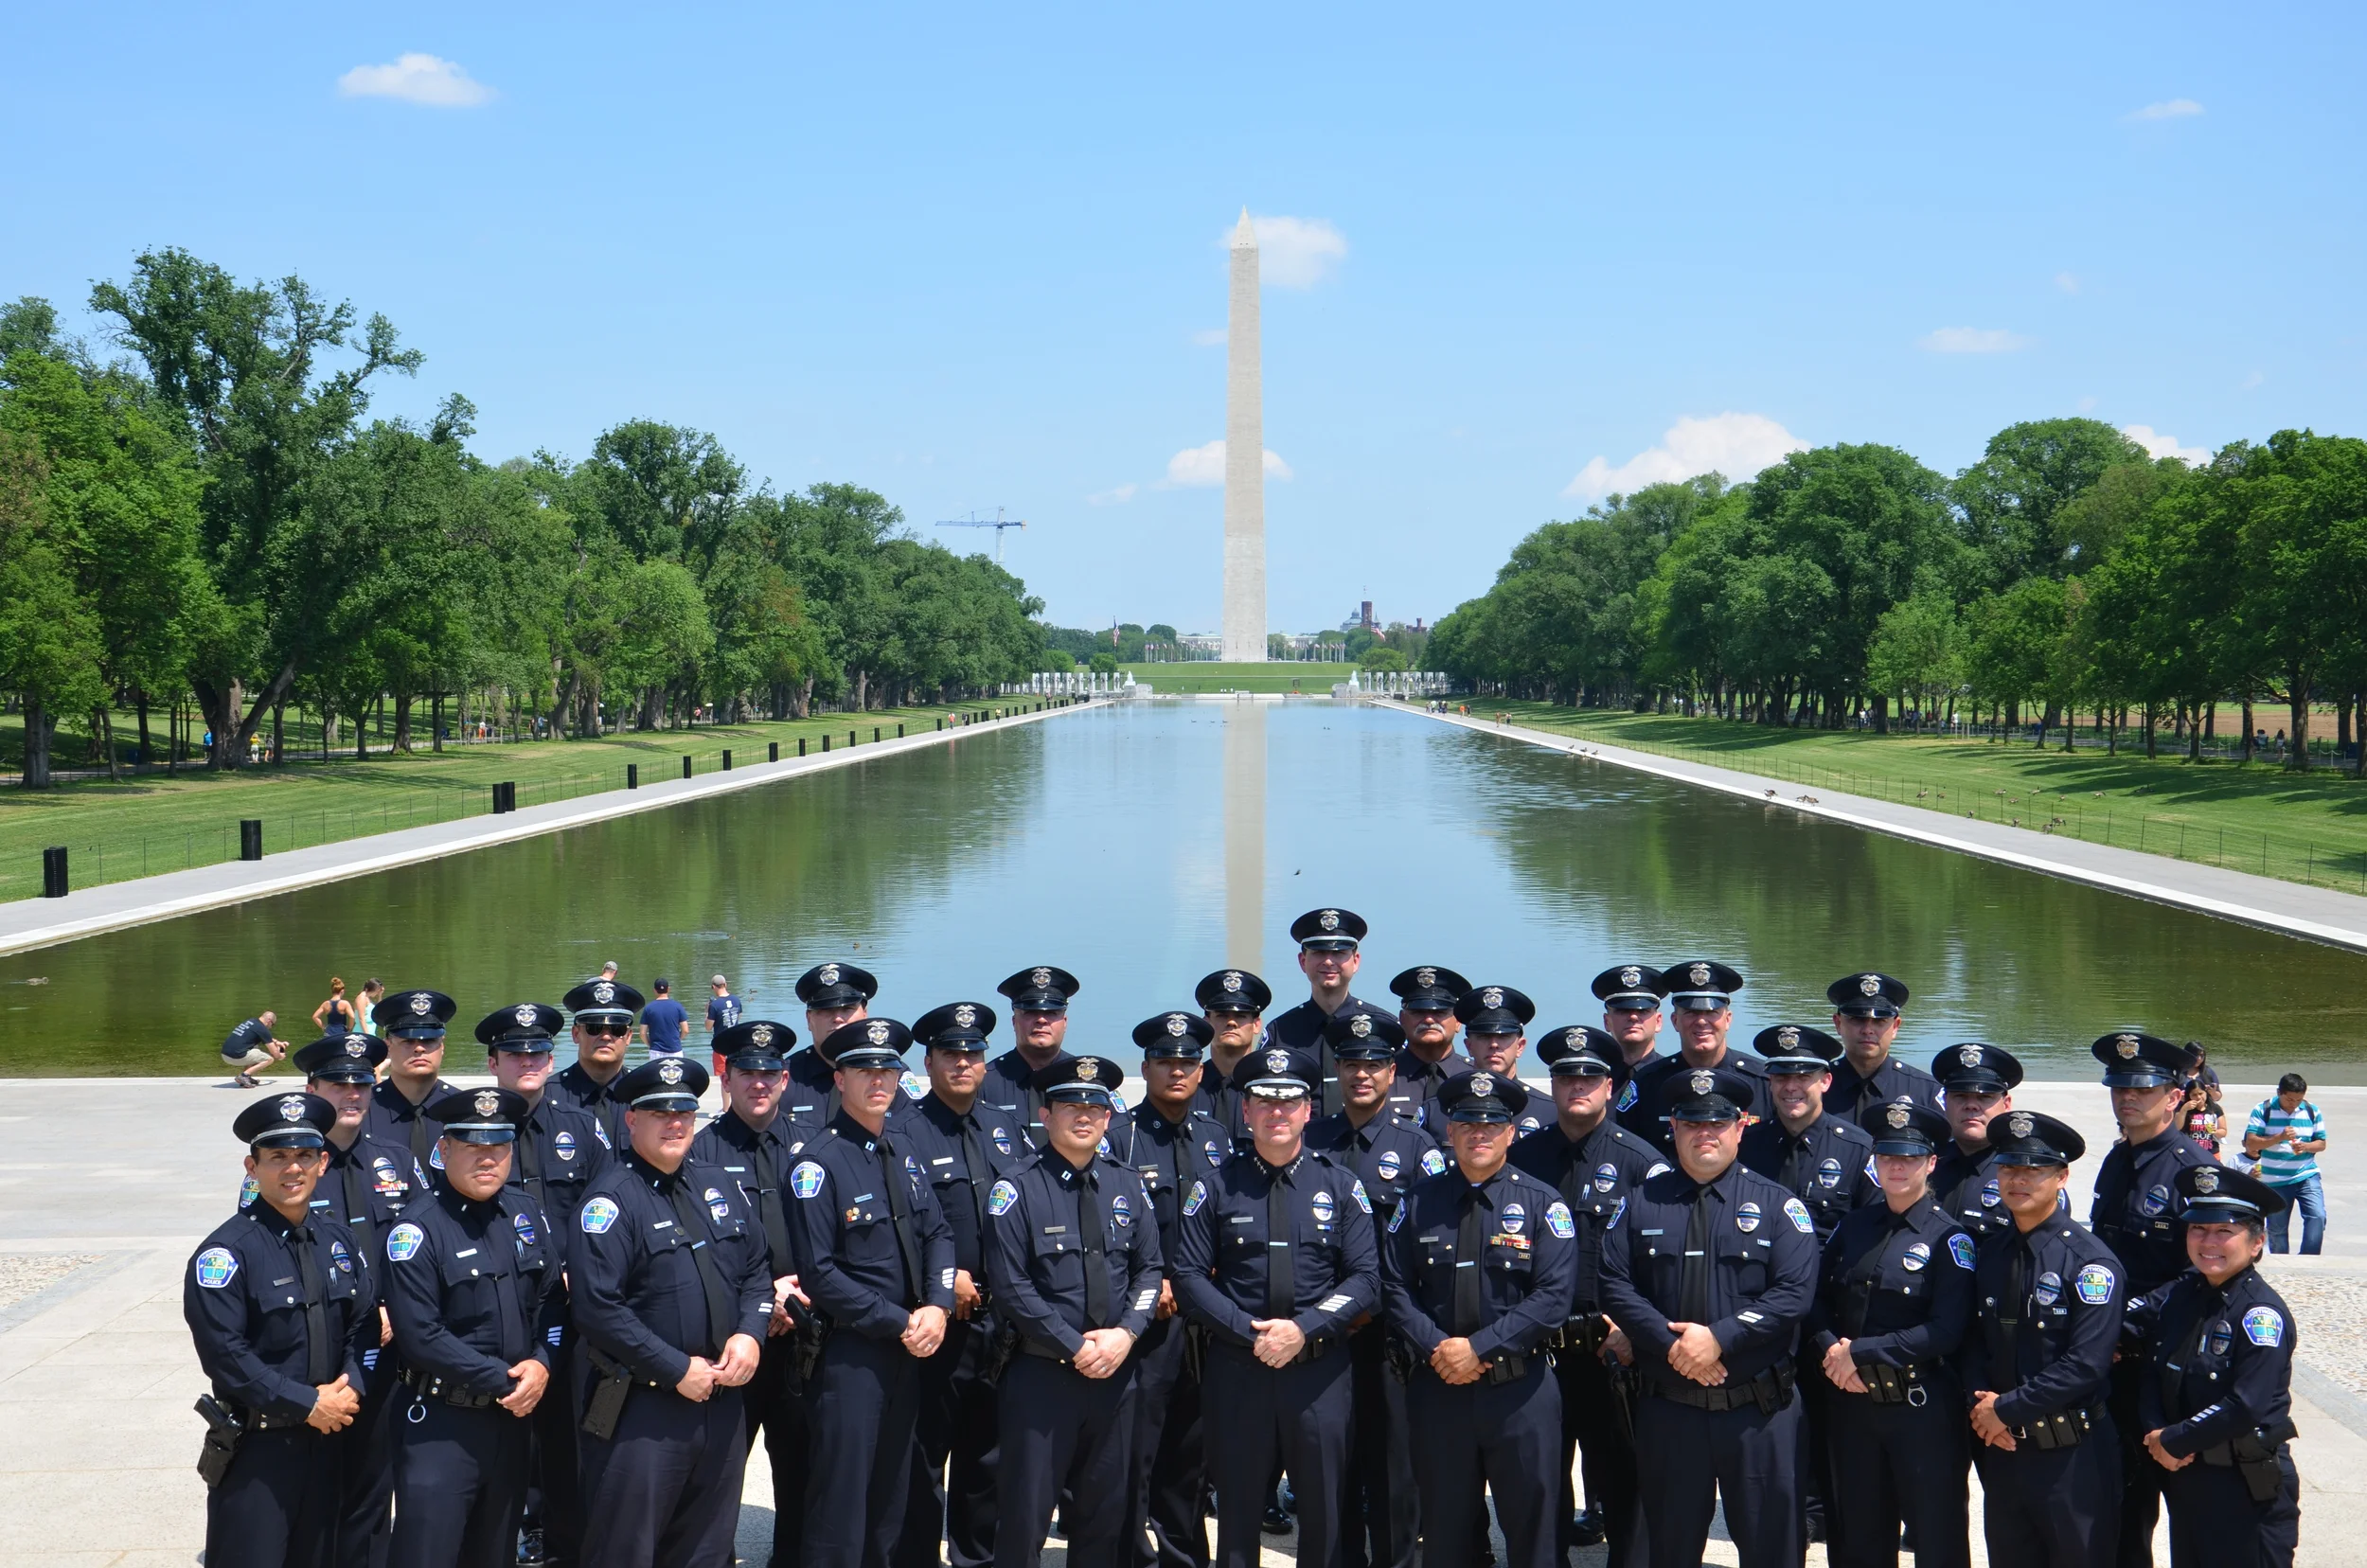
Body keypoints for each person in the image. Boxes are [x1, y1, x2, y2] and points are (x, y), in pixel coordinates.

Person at [1598, 1064, 1818, 1568]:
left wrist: (1719, 1339)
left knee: (1773, 1550)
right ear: (1672, 1127)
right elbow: (1613, 1284)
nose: (1705, 1134)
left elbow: (1794, 1294)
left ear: (1742, 1126)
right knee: (1668, 1549)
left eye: (1718, 1123)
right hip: (1670, 1408)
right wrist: (1671, 1344)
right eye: (1692, 1123)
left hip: (1757, 1410)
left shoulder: (1778, 1206)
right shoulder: (1638, 1204)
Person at [1171, 1046, 1379, 1568]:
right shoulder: (1215, 1187)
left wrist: (1303, 1330)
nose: (1277, 1112)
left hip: (1320, 1372)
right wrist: (1251, 1332)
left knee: (1326, 1513)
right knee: (1238, 1513)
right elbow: (1190, 1277)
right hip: (1239, 1370)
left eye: (1290, 1102)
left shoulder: (1340, 1184)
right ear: (1246, 1111)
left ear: (1309, 1109)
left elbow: (1366, 1279)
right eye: (1264, 1101)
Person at [569, 1056, 774, 1568]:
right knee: (626, 1550)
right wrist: (676, 1368)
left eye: (684, 1111)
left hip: (721, 1400)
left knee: (706, 1547)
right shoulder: (610, 1202)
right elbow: (598, 1309)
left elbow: (756, 1270)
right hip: (643, 1406)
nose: (675, 1122)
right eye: (659, 1112)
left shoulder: (718, 1184)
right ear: (632, 1120)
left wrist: (751, 1333)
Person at [1381, 1070, 1577, 1568]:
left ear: (1511, 1132)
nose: (1479, 1133)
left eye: (1492, 1124)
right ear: (1450, 1131)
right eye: (1468, 1123)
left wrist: (1478, 1350)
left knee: (1534, 1529)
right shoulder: (1418, 1202)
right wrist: (1440, 1349)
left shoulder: (1542, 1204)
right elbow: (1395, 1287)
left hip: (1520, 1392)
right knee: (1445, 1531)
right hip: (1439, 1387)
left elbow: (1552, 1298)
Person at [787, 1018, 958, 1568]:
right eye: (865, 1070)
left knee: (890, 1497)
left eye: (888, 1069)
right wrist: (899, 1321)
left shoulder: (902, 1149)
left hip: (909, 1350)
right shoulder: (817, 1163)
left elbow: (938, 1232)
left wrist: (937, 1303)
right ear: (840, 1079)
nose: (878, 1080)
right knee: (841, 1503)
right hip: (852, 1355)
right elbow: (819, 1272)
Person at [984, 1055, 1163, 1568]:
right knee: (1025, 1516)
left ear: (1109, 1116)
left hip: (1115, 1375)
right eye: (1069, 1105)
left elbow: (1150, 1270)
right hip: (1043, 1376)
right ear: (1046, 1114)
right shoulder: (1015, 1188)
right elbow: (1012, 1287)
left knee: (1104, 1516)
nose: (1083, 1115)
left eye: (1094, 1106)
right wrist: (1076, 1346)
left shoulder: (1128, 1184)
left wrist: (1127, 1335)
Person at [186, 1092, 372, 1568]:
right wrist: (307, 1402)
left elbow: (363, 1323)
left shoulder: (337, 1238)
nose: (293, 1170)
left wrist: (349, 1386)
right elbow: (226, 1355)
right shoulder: (226, 1254)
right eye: (278, 1158)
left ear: (322, 1163)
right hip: (259, 1449)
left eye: (305, 1156)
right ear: (252, 1167)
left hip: (328, 1439)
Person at [383, 1088, 565, 1568]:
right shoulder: (416, 1230)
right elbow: (421, 1334)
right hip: (442, 1424)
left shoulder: (526, 1213)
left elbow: (552, 1303)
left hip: (510, 1422)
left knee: (495, 1553)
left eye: (499, 1147)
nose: (489, 1159)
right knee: (429, 1554)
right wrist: (507, 1381)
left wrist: (544, 1364)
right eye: (473, 1147)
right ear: (444, 1151)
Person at [1508, 1025, 1662, 1567]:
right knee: (1539, 1477)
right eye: (1566, 1076)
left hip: (1611, 1349)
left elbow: (1658, 1260)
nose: (1578, 1086)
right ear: (1551, 1083)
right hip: (1537, 1346)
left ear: (1612, 1085)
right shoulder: (1520, 1158)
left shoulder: (1642, 1165)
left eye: (1590, 1076)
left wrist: (1634, 1330)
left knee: (1622, 1477)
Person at [1808, 1103, 1975, 1568]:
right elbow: (1817, 1298)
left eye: (1909, 1158)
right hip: (1853, 1403)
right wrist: (1831, 1353)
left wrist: (1859, 1352)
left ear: (1931, 1163)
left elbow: (1945, 1331)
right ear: (1875, 1162)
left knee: (1937, 1533)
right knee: (1859, 1533)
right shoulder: (1856, 1224)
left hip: (1920, 1407)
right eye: (1887, 1157)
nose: (1897, 1167)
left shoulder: (1950, 1239)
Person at [478, 1001, 609, 1568]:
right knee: (497, 1434)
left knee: (566, 1440)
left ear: (551, 1058)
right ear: (493, 1062)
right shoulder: (469, 1131)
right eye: (515, 1053)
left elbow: (608, 1211)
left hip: (569, 1308)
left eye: (537, 1052)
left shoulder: (580, 1126)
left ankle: (565, 1547)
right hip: (494, 1308)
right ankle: (495, 1540)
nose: (527, 1061)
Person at [897, 1003, 1028, 1568]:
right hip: (937, 1323)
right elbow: (900, 1227)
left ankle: (976, 1557)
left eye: (973, 1054)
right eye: (950, 1053)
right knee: (925, 1454)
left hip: (1001, 1323)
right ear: (928, 1061)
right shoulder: (904, 1132)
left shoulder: (1004, 1128)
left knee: (989, 1453)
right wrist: (944, 1282)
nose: (963, 1063)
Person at [1307, 1012, 1439, 1568]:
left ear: (1392, 1071)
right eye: (1352, 1064)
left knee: (1393, 1466)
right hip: (1321, 1333)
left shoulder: (1418, 1147)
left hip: (1389, 1334)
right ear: (1338, 1070)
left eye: (1375, 1064)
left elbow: (1427, 1247)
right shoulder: (1310, 1139)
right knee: (1329, 1462)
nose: (1363, 1074)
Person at [1966, 1110, 2126, 1568]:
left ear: (2062, 1177)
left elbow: (2085, 1364)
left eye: (2034, 1170)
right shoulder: (1992, 1253)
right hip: (2004, 1449)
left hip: (2071, 1456)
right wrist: (1981, 1409)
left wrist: (2004, 1408)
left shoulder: (2090, 1263)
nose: (2019, 1179)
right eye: (2010, 1167)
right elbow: (1975, 1339)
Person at [1736, 1024, 1878, 1544]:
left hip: (1828, 1321)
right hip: (1756, 1317)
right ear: (1768, 1082)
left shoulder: (1858, 1150)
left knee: (1832, 1435)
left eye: (1804, 1076)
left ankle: (1830, 1519)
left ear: (1826, 1080)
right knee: (1766, 1434)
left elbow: (1869, 1242)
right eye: (1781, 1077)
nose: (1791, 1086)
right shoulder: (1746, 1145)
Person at [293, 1031, 426, 1568]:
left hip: (387, 1346)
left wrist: (397, 1307)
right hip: (315, 1354)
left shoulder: (396, 1160)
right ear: (311, 1088)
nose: (352, 1093)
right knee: (312, 1483)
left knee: (374, 1482)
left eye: (361, 1083)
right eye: (337, 1083)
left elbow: (422, 1245)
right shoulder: (289, 1166)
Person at [2089, 1029, 2218, 1568]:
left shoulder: (2195, 1170)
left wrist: (2127, 1322)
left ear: (2174, 1095)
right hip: (2115, 1367)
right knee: (2122, 1507)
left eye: (2141, 1089)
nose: (2127, 1099)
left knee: (2192, 1514)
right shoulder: (2117, 1161)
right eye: (2119, 1088)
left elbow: (2204, 1273)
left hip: (2169, 1367)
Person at [1108, 1011, 1230, 1568]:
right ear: (1146, 1068)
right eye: (1166, 1062)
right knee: (1136, 1452)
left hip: (1206, 1322)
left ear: (1201, 1071)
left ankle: (1184, 1558)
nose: (1177, 1072)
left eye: (1187, 1063)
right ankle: (1131, 1555)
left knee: (1190, 1455)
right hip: (1146, 1323)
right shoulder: (1120, 1137)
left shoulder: (1219, 1139)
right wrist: (1152, 1278)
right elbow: (1110, 1226)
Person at [2132, 1165, 2301, 1567]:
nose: (2208, 1242)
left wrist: (2174, 1440)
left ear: (2257, 1242)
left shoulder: (2260, 1314)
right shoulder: (2183, 1296)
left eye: (2224, 1232)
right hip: (2189, 1477)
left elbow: (2246, 1404)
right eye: (2198, 1229)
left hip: (2243, 1483)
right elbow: (2154, 1370)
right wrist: (2156, 1431)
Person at [692, 1019, 812, 1568]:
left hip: (804, 1336)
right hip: (733, 1338)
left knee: (803, 1468)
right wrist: (765, 1296)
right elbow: (696, 1249)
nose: (758, 1083)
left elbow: (835, 1235)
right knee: (717, 1474)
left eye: (769, 1073)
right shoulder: (699, 1151)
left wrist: (801, 1291)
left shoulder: (813, 1148)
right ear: (727, 1079)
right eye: (747, 1073)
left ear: (784, 1080)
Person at [1619, 962, 1771, 1151]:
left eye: (1711, 1012)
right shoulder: (1648, 1083)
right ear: (1675, 1021)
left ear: (1728, 1020)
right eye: (1691, 1012)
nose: (1701, 1021)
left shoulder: (1763, 1082)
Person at [1266, 907, 1397, 1115]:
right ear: (1303, 961)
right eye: (1319, 952)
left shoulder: (1384, 1027)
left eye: (1338, 953)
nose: (1328, 961)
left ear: (1355, 961)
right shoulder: (1279, 1032)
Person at [1929, 1043, 2026, 1241]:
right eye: (1960, 1096)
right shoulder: (1924, 1165)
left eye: (1984, 1097)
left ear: (2006, 1104)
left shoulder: (2026, 1174)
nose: (1971, 1105)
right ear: (1945, 1101)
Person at [1820, 972, 1942, 1117]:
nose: (1867, 1030)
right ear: (1838, 1023)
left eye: (1879, 1021)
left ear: (1895, 1027)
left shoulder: (1926, 1091)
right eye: (1857, 1019)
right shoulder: (1812, 1088)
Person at [989, 966, 1082, 1149]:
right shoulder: (986, 1083)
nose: (1041, 1020)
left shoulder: (1083, 1080)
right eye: (1030, 1012)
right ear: (1014, 1022)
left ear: (1064, 1023)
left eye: (1051, 1013)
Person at [366, 990, 459, 1167]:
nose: (419, 1049)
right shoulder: (363, 1111)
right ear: (388, 1047)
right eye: (408, 1041)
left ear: (442, 1046)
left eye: (429, 1040)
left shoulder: (462, 1110)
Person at [555, 978, 645, 1149]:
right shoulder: (549, 1096)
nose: (605, 1037)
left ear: (629, 1037)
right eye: (594, 1028)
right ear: (575, 1034)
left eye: (617, 1029)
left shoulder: (644, 1097)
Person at [786, 962, 880, 1127]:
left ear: (865, 1014)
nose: (837, 1018)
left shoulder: (889, 1074)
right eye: (825, 1010)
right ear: (809, 1019)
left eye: (847, 1009)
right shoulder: (784, 1079)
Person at [2244, 1074, 2328, 1255]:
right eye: (2290, 1099)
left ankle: (2309, 1258)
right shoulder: (2263, 1109)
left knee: (2317, 1216)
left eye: (2299, 1100)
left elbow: (2321, 1143)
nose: (2294, 1104)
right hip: (2275, 1179)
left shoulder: (2312, 1110)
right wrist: (2279, 1137)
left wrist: (2305, 1146)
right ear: (2279, 1092)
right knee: (2277, 1228)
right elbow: (2251, 1143)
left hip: (2306, 1173)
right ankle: (2284, 1262)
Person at [1387, 964, 1473, 1130]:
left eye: (1439, 1012)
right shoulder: (1383, 1076)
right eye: (1418, 1012)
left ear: (1458, 1022)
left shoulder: (1473, 1078)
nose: (1428, 1020)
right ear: (1402, 1019)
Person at [1194, 967, 1272, 1144]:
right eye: (1222, 1015)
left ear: (1256, 1024)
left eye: (1240, 1015)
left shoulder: (1269, 1086)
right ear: (1206, 1023)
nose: (1231, 1022)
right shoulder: (1188, 1086)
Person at [1453, 985, 1542, 1132]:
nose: (1494, 1044)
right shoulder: (1441, 1110)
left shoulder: (1547, 1110)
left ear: (1520, 1046)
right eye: (1484, 1036)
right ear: (1469, 1046)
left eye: (1503, 1036)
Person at [1591, 964, 1669, 1126]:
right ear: (1607, 1022)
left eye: (1643, 1011)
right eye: (1622, 1011)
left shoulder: (1672, 1079)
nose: (1633, 1017)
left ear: (1659, 1022)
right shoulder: (1592, 1081)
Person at [222, 1010, 291, 1087]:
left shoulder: (251, 1021)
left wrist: (277, 1042)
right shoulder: (262, 1029)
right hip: (235, 1057)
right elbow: (275, 1054)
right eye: (273, 1024)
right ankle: (244, 1076)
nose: (271, 1027)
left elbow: (263, 1036)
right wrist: (280, 1056)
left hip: (225, 1055)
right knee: (269, 1059)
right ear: (269, 1021)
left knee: (254, 1047)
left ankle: (247, 1078)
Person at [706, 975, 743, 1081]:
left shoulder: (714, 1005)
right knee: (736, 1072)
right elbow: (739, 1016)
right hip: (735, 1042)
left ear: (713, 987)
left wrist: (706, 1012)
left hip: (720, 1043)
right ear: (725, 985)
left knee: (721, 1076)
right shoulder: (736, 1000)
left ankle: (723, 1095)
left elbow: (708, 1027)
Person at [642, 979, 689, 1057]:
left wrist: (650, 1045)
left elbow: (643, 1033)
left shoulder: (648, 1008)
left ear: (654, 990)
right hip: (675, 1050)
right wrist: (677, 1040)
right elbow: (685, 1030)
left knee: (656, 1069)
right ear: (668, 989)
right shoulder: (678, 1006)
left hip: (656, 1051)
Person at [2177, 1083, 2224, 1158]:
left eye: (2201, 1093)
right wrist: (2183, 1110)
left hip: (2211, 1153)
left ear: (2206, 1093)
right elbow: (2177, 1128)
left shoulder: (2215, 1108)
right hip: (2190, 1153)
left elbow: (2223, 1131)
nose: (2198, 1097)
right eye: (2194, 1095)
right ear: (2189, 1096)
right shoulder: (2184, 1109)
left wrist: (2215, 1131)